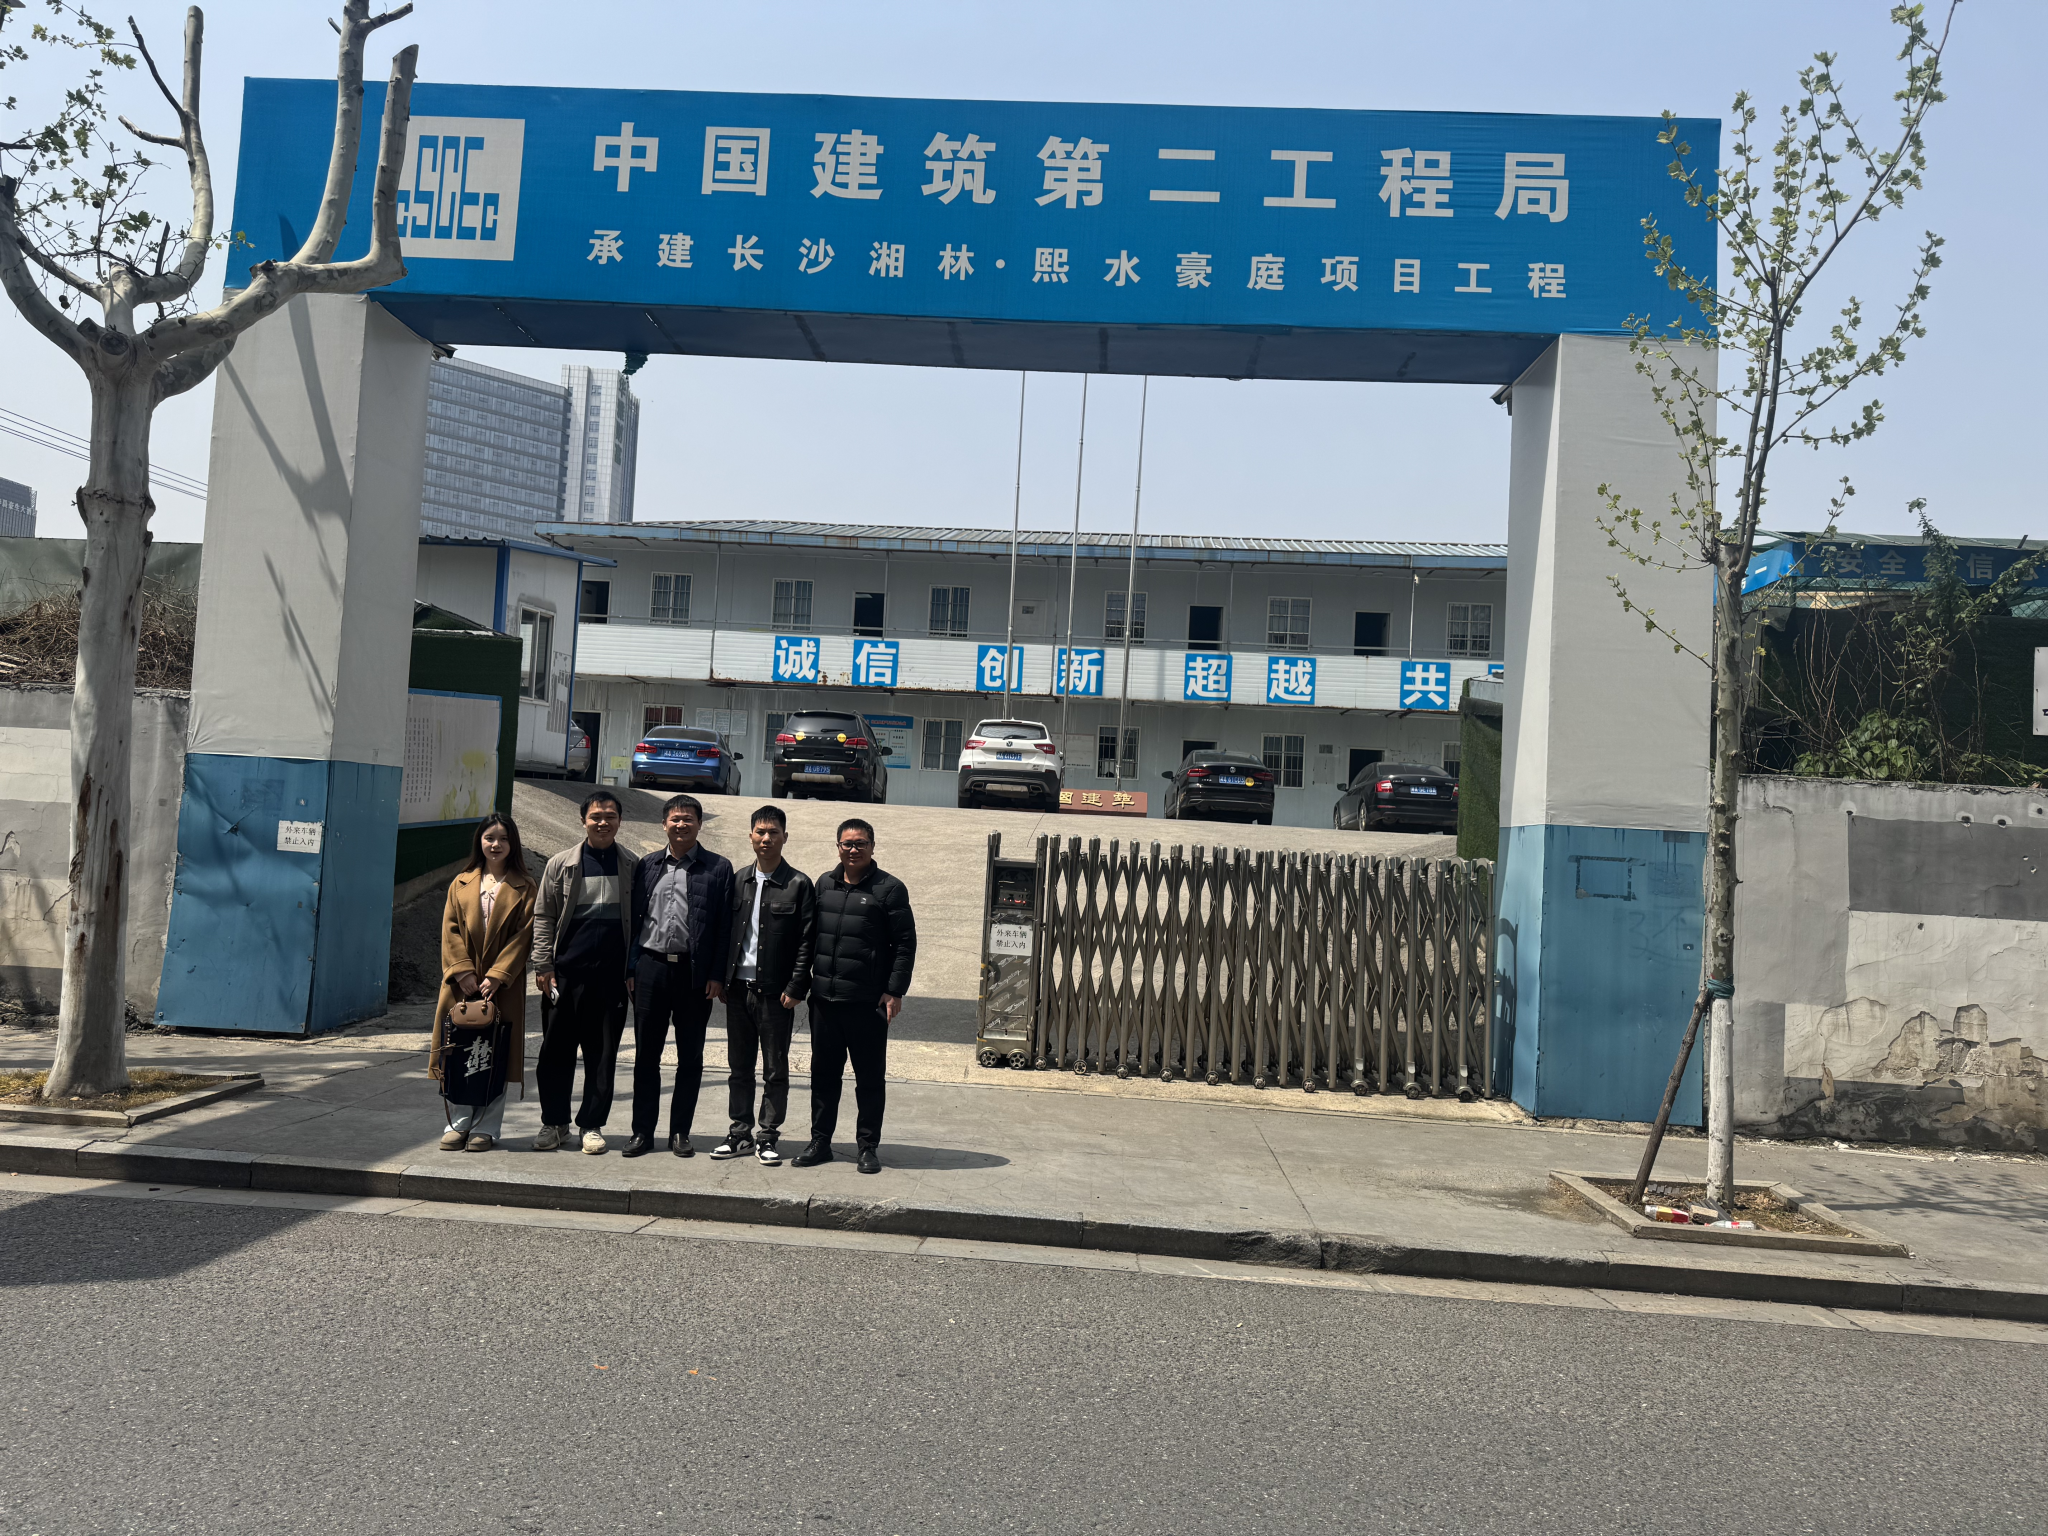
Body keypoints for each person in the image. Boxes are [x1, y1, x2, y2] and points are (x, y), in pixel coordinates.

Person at [793, 817, 915, 1174]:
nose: (853, 849)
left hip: (867, 1003)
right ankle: (820, 1142)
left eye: (861, 843)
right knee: (823, 1076)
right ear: (838, 847)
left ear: (872, 847)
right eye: (847, 843)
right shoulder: (823, 884)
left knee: (869, 1080)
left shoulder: (889, 889)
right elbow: (809, 937)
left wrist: (894, 990)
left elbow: (904, 943)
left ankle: (867, 1147)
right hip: (825, 1003)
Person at [622, 794, 734, 1158]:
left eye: (688, 819)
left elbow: (724, 927)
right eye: (675, 819)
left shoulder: (718, 868)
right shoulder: (648, 865)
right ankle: (642, 1132)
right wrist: (632, 967)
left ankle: (680, 1132)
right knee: (646, 1056)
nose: (681, 824)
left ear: (700, 824)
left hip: (694, 974)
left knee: (690, 1057)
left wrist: (716, 974)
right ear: (664, 824)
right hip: (651, 968)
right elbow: (635, 920)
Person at [532, 791, 640, 1154]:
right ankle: (555, 1123)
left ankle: (591, 1125)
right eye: (596, 816)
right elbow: (544, 915)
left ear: (620, 821)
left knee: (602, 1055)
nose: (603, 822)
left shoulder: (632, 865)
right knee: (555, 1052)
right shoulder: (560, 864)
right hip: (564, 976)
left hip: (610, 979)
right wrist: (543, 964)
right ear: (583, 821)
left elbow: (639, 921)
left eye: (610, 816)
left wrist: (632, 969)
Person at [716, 804, 815, 1166]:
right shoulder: (738, 879)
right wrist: (721, 979)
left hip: (776, 994)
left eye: (774, 832)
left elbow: (807, 940)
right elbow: (724, 933)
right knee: (739, 1067)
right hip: (738, 990)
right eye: (760, 832)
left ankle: (768, 1136)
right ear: (751, 836)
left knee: (775, 1069)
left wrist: (796, 986)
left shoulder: (798, 884)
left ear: (785, 837)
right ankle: (740, 1132)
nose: (766, 838)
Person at [432, 813, 536, 1152]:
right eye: (490, 837)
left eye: (503, 839)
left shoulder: (525, 886)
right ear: (480, 841)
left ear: (513, 844)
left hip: (501, 989)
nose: (496, 844)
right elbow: (449, 930)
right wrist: (462, 971)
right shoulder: (461, 883)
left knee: (496, 1055)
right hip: (462, 986)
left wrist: (497, 976)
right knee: (460, 1052)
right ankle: (459, 1123)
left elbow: (524, 936)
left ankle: (487, 1127)